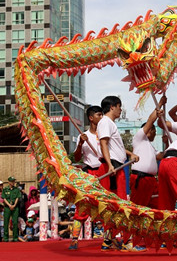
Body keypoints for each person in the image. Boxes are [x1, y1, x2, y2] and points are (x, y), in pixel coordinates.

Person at [97, 96, 140, 252]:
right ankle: (126, 242)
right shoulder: (105, 122)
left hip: (116, 165)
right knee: (120, 205)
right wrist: (110, 165)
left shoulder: (109, 123)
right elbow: (104, 144)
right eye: (119, 107)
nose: (121, 110)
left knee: (115, 205)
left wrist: (130, 154)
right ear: (112, 107)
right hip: (113, 168)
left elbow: (116, 147)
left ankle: (108, 240)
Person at [69, 106, 104, 250]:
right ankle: (74, 239)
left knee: (108, 206)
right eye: (99, 115)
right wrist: (81, 144)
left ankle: (109, 240)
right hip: (90, 174)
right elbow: (77, 157)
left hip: (105, 172)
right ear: (91, 118)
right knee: (82, 207)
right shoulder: (82, 135)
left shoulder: (105, 134)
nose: (101, 117)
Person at [130, 108, 164, 207]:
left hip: (152, 181)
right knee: (138, 207)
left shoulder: (151, 147)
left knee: (156, 206)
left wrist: (167, 144)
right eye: (154, 131)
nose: (155, 134)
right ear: (150, 130)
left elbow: (161, 156)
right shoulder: (139, 138)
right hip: (141, 179)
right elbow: (150, 120)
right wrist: (160, 104)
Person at [2, 176, 21, 242]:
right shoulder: (5, 189)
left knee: (15, 222)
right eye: (12, 181)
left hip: (15, 207)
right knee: (6, 222)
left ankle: (15, 237)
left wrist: (14, 205)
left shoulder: (16, 189)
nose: (13, 183)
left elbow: (17, 198)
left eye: (14, 181)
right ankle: (6, 237)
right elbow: (4, 198)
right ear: (9, 182)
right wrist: (9, 205)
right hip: (7, 207)